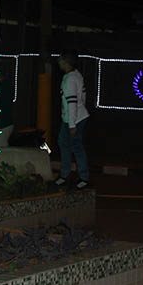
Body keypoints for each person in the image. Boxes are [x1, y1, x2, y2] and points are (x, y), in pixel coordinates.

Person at [54, 50, 90, 189]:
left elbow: (72, 102)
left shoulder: (70, 79)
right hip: (74, 118)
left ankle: (82, 177)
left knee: (75, 146)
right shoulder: (76, 75)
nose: (59, 62)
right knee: (65, 143)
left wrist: (72, 124)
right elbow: (83, 96)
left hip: (73, 120)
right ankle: (66, 174)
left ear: (66, 62)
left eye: (61, 59)